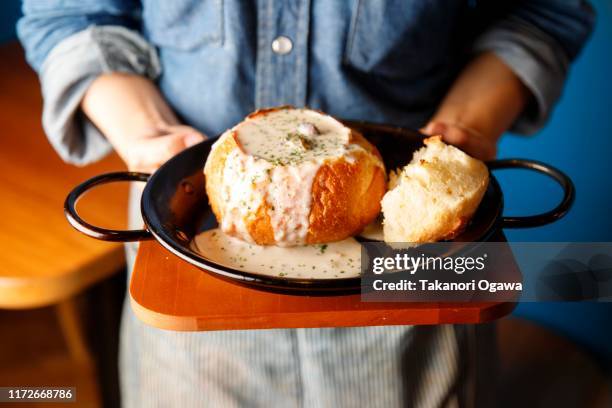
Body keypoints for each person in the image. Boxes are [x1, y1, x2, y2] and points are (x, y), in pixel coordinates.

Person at [18, 1, 594, 406]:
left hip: (412, 260)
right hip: (195, 255)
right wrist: (152, 142)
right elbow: (70, 16)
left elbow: (542, 10)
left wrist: (459, 138)